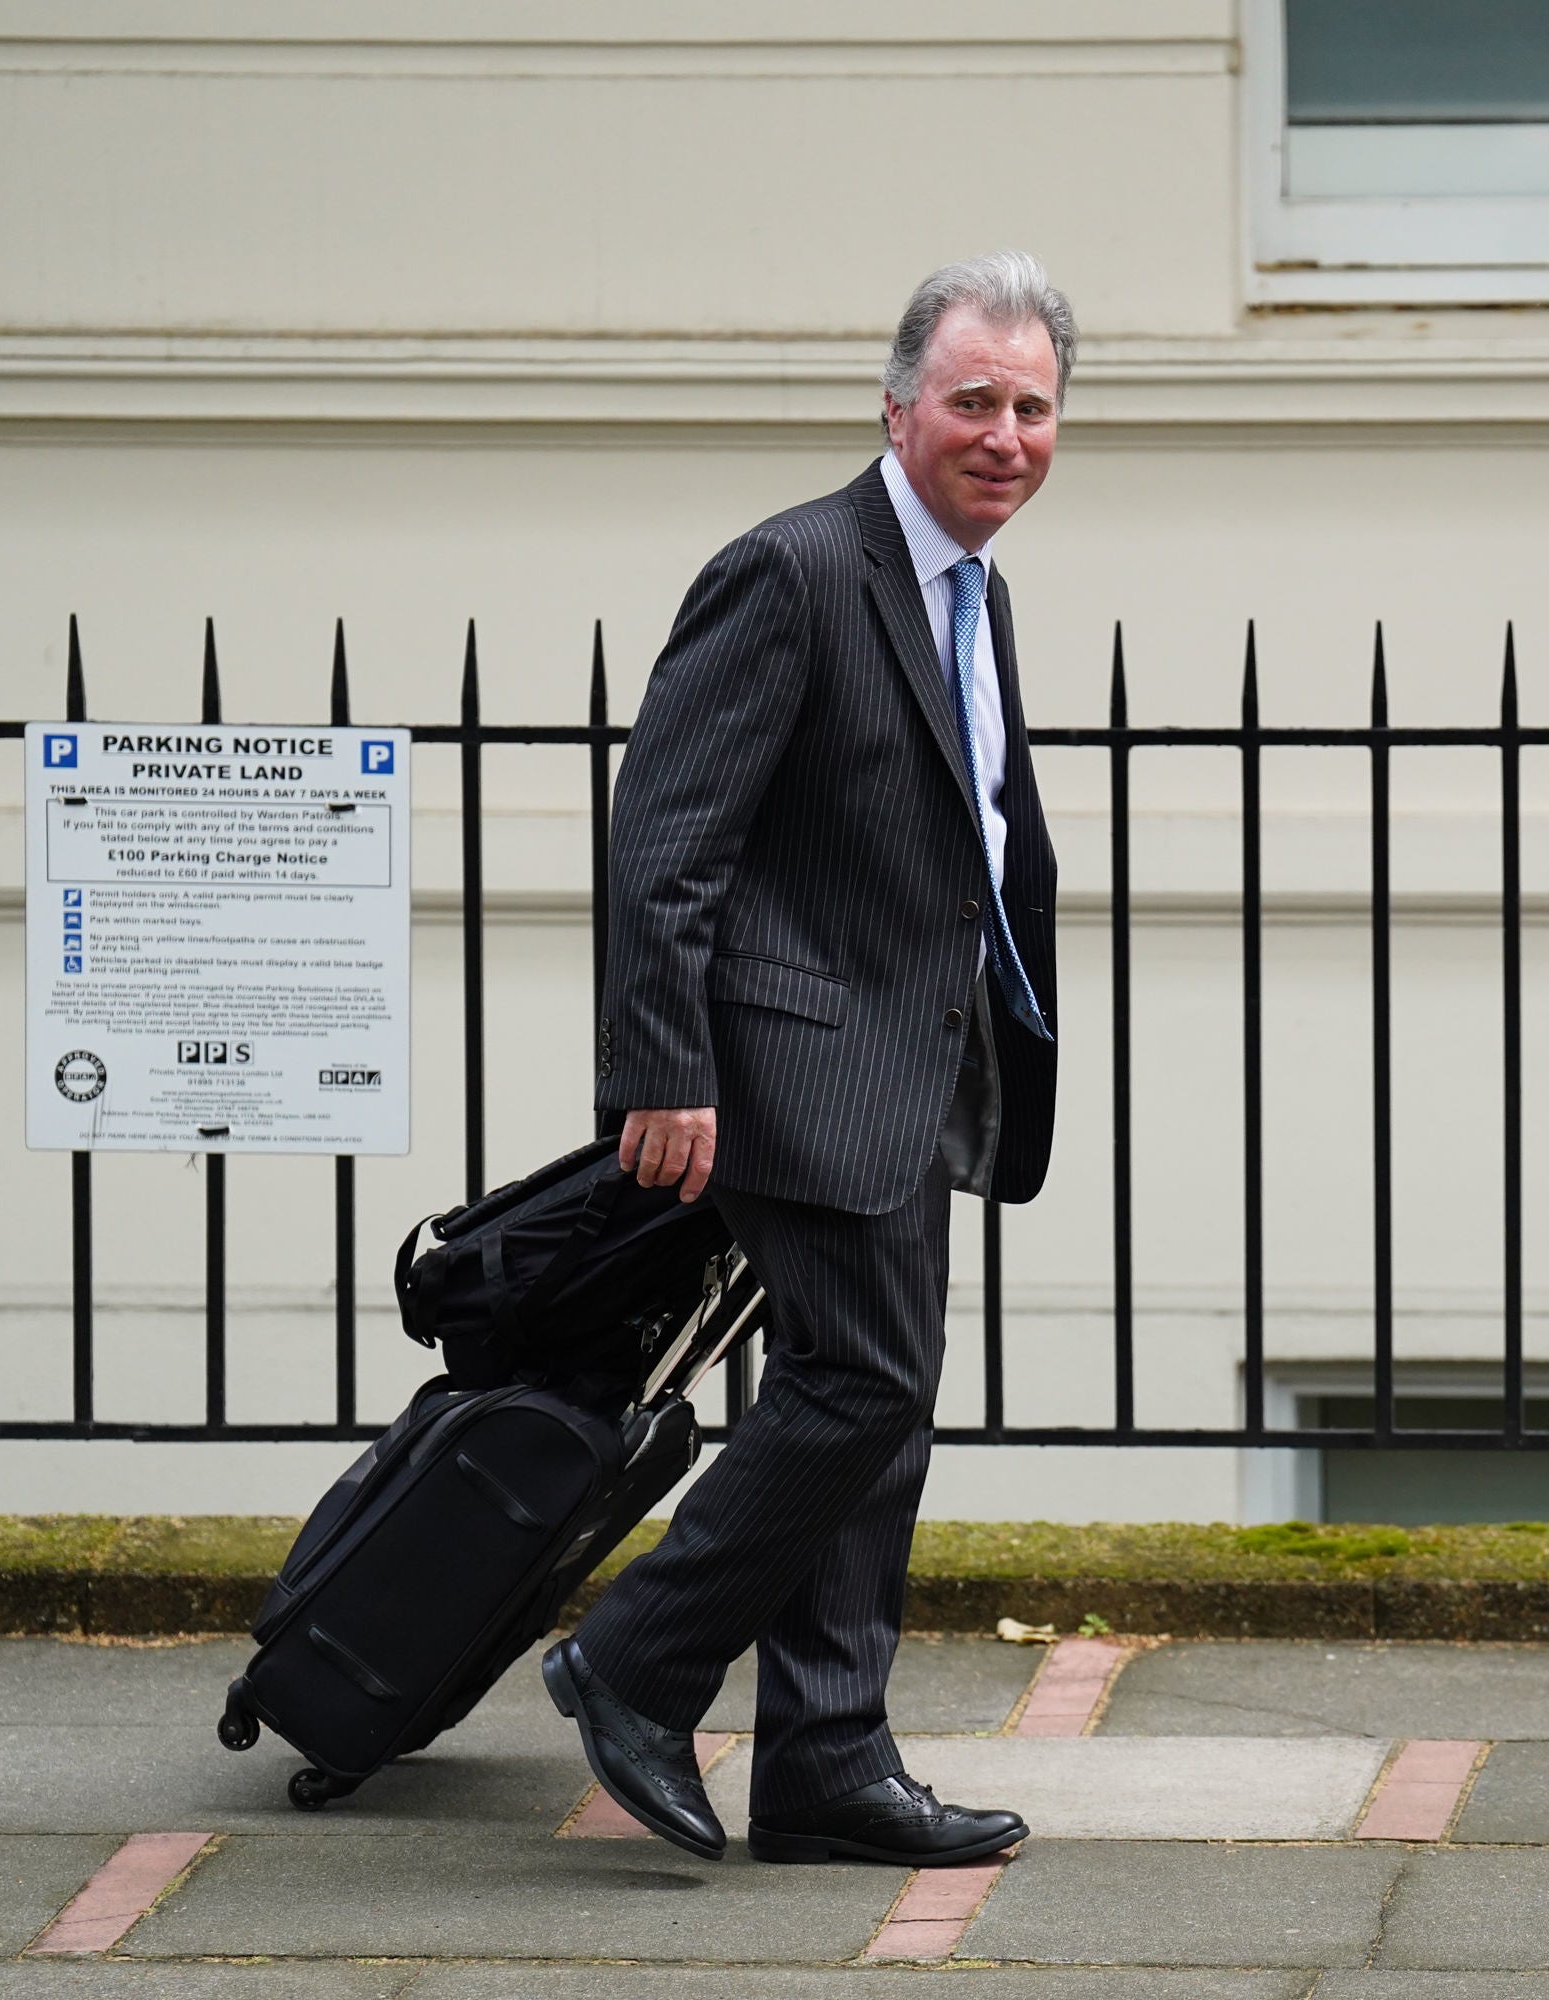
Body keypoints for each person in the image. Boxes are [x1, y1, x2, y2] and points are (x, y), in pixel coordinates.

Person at [540, 252, 1068, 1867]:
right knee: (860, 1382)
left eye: (1034, 406)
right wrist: (663, 1067)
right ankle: (633, 1659)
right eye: (973, 400)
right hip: (787, 1062)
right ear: (897, 407)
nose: (1006, 433)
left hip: (910, 1060)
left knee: (885, 1414)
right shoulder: (797, 570)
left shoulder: (969, 592)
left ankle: (830, 1760)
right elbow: (667, 837)